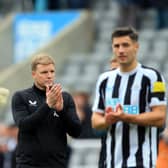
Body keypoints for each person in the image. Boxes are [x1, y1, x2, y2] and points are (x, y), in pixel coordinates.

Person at [91, 27, 167, 168]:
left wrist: (127, 117)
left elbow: (160, 117)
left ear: (136, 47)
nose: (121, 50)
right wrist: (107, 120)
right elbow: (95, 121)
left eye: (125, 45)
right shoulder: (104, 79)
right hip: (111, 161)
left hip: (142, 161)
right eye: (116, 46)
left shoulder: (153, 77)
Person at [11, 53, 81, 168]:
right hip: (29, 164)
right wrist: (47, 105)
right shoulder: (20, 96)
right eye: (44, 72)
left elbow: (76, 132)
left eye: (52, 71)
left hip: (57, 164)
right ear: (34, 74)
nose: (49, 76)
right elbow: (24, 125)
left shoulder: (65, 98)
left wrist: (61, 110)